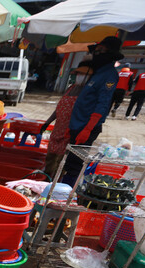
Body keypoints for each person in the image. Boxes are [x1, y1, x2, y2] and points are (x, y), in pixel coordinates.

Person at [62, 36, 123, 185]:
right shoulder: (97, 73)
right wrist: (72, 126)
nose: (97, 53)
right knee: (69, 161)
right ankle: (63, 187)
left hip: (86, 127)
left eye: (102, 51)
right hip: (78, 125)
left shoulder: (109, 75)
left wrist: (88, 129)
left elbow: (103, 104)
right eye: (97, 50)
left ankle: (65, 193)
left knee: (75, 164)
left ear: (111, 54)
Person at [40, 62, 93, 178]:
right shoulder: (71, 88)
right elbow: (59, 108)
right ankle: (46, 177)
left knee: (61, 159)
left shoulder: (87, 92)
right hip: (58, 129)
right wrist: (47, 122)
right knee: (50, 155)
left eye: (82, 74)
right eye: (78, 74)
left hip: (70, 130)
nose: (79, 76)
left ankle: (55, 181)